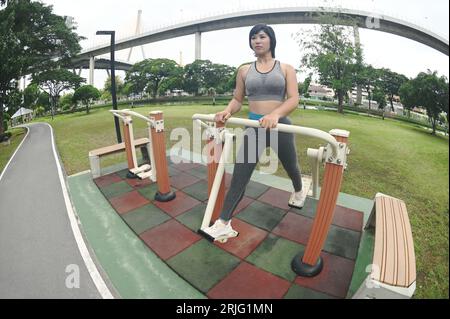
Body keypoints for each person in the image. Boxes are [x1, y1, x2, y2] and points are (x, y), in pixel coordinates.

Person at [201, 23, 307, 242]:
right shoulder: (244, 70)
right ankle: (223, 222)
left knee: (291, 166)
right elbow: (238, 100)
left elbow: (294, 98)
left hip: (280, 126)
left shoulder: (286, 68)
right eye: (253, 38)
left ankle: (298, 189)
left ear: (271, 40)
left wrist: (276, 115)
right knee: (240, 174)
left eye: (261, 36)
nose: (257, 41)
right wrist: (228, 110)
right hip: (254, 128)